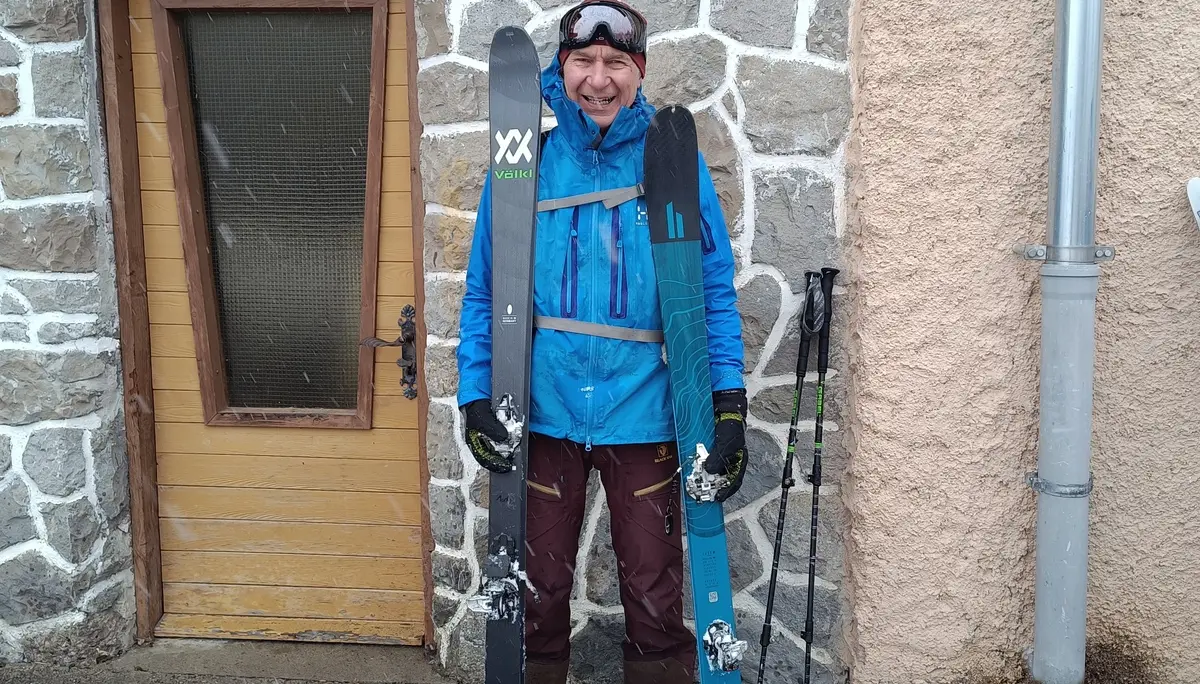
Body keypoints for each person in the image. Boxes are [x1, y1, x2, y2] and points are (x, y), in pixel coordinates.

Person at [456, 1, 747, 682]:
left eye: (616, 62)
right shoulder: (526, 164)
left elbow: (708, 291)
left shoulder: (671, 162)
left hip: (644, 412)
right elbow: (484, 289)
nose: (599, 78)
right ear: (563, 69)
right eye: (584, 61)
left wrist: (727, 404)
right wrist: (476, 394)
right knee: (539, 593)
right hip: (547, 411)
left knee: (654, 592)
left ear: (638, 71)